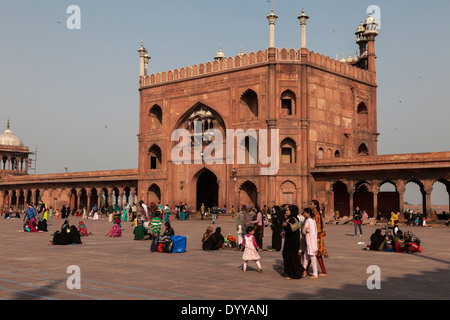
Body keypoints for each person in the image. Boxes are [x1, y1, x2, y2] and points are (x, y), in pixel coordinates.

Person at [281, 206, 304, 279]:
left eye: (288, 211)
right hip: (292, 240)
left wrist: (285, 226)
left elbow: (290, 230)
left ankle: (294, 274)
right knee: (288, 255)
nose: (286, 212)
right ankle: (293, 271)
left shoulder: (292, 219)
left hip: (292, 241)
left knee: (291, 257)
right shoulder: (293, 218)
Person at [310, 199, 328, 276]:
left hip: (316, 236)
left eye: (311, 204)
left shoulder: (316, 214)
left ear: (315, 205)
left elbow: (314, 226)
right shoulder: (315, 214)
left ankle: (323, 271)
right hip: (316, 235)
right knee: (312, 254)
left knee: (316, 253)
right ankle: (305, 270)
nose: (310, 206)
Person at [301, 208, 318, 278]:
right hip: (313, 240)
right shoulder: (313, 221)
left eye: (304, 213)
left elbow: (303, 231)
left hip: (309, 241)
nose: (304, 214)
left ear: (308, 213)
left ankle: (315, 273)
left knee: (312, 257)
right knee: (306, 256)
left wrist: (306, 231)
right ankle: (303, 271)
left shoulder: (308, 221)